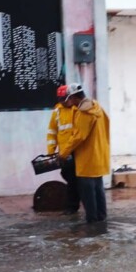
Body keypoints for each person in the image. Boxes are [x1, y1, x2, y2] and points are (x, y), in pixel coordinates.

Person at [60, 82, 110, 224]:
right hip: (99, 156)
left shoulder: (84, 113)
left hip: (87, 159)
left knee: (87, 194)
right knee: (98, 190)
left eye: (69, 99)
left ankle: (92, 223)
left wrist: (63, 152)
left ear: (74, 98)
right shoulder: (97, 107)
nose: (69, 103)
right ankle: (102, 219)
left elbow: (78, 137)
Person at [46, 84, 81, 214]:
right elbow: (52, 132)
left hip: (77, 151)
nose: (62, 101)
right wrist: (51, 152)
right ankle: (74, 203)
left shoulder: (77, 109)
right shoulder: (57, 111)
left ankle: (72, 206)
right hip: (64, 153)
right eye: (60, 98)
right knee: (68, 176)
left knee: (74, 179)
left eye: (64, 98)